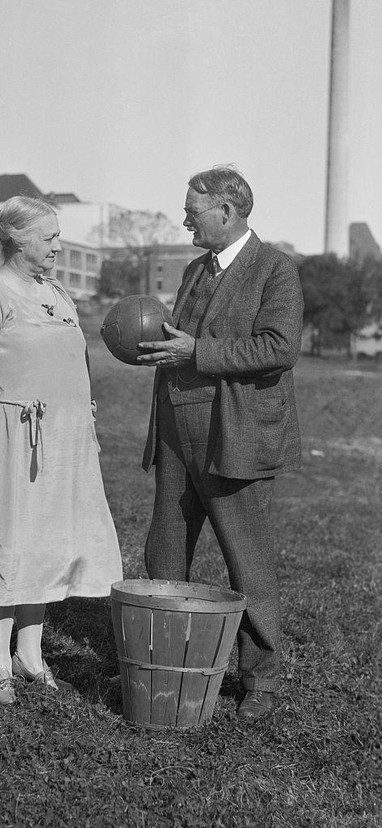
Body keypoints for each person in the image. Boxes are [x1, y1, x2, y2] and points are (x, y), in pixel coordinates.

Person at [137, 166, 303, 722]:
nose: (185, 217)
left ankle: (262, 680)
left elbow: (277, 349)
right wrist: (152, 345)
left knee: (247, 562)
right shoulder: (192, 270)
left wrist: (195, 353)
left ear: (227, 213)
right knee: (164, 554)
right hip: (178, 435)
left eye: (194, 209)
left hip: (237, 437)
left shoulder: (275, 270)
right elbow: (182, 342)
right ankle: (159, 657)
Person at [0, 196, 122, 705]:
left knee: (46, 543)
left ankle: (31, 654)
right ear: (18, 240)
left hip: (62, 438)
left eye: (57, 236)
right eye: (49, 238)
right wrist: (3, 393)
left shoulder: (56, 292)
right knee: (10, 541)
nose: (58, 246)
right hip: (10, 431)